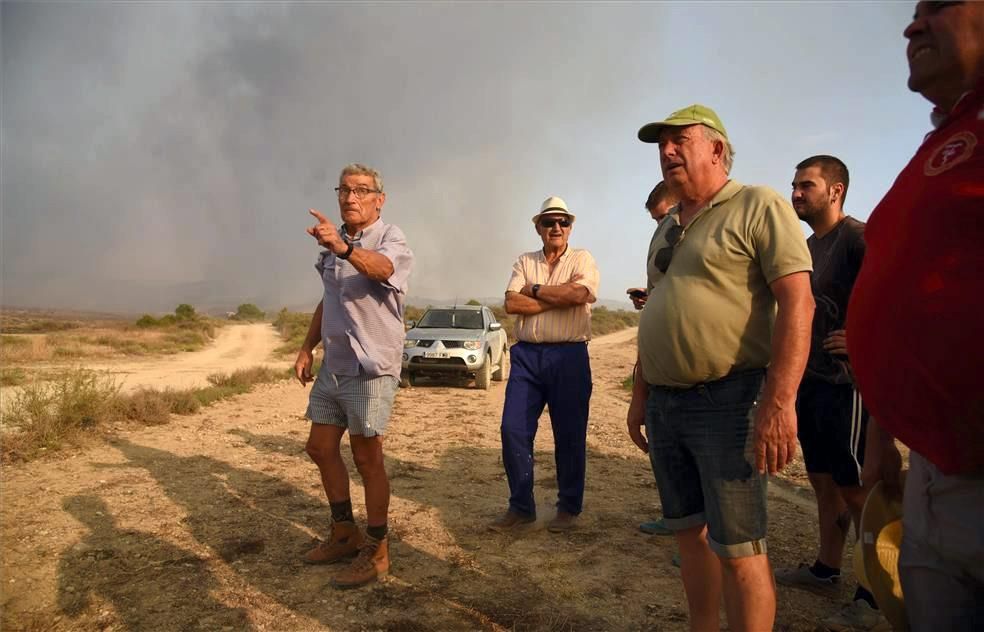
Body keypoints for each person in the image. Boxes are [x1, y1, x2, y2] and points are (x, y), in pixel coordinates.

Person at [627, 104, 814, 631]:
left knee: (738, 547)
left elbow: (799, 302)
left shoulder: (757, 205)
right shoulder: (667, 226)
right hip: (665, 404)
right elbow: (658, 311)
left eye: (678, 140)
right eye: (661, 145)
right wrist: (641, 395)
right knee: (689, 535)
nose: (666, 152)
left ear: (715, 147)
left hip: (729, 400)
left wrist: (780, 402)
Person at [847, 3, 984, 629]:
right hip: (932, 472)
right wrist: (881, 439)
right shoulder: (943, 139)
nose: (912, 26)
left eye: (940, 5)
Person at [775, 155, 886, 631]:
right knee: (822, 481)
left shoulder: (858, 239)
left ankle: (876, 595)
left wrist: (864, 343)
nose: (796, 193)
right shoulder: (805, 248)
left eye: (807, 185)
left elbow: (889, 297)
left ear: (836, 190)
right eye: (795, 186)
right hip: (811, 382)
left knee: (858, 491)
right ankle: (826, 568)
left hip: (847, 386)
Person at [295, 163, 414, 588]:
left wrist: (344, 250)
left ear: (379, 199)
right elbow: (328, 300)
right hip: (335, 366)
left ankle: (377, 550)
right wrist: (307, 347)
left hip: (371, 366)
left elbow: (381, 269)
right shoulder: (333, 245)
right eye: (344, 190)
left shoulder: (391, 238)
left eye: (362, 190)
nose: (351, 197)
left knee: (367, 457)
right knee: (319, 446)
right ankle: (344, 532)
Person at [489, 196, 600, 534]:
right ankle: (521, 507)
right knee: (513, 429)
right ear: (537, 227)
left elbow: (580, 296)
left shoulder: (583, 258)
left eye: (563, 222)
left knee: (569, 434)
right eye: (549, 222)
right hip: (527, 356)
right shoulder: (525, 259)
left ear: (570, 227)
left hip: (569, 356)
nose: (556, 227)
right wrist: (559, 299)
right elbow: (511, 303)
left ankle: (568, 507)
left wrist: (535, 291)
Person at [626, 182, 680, 538]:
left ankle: (699, 540)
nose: (661, 226)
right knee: (667, 456)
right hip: (661, 371)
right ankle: (677, 520)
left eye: (664, 217)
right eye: (656, 221)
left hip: (698, 378)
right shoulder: (665, 244)